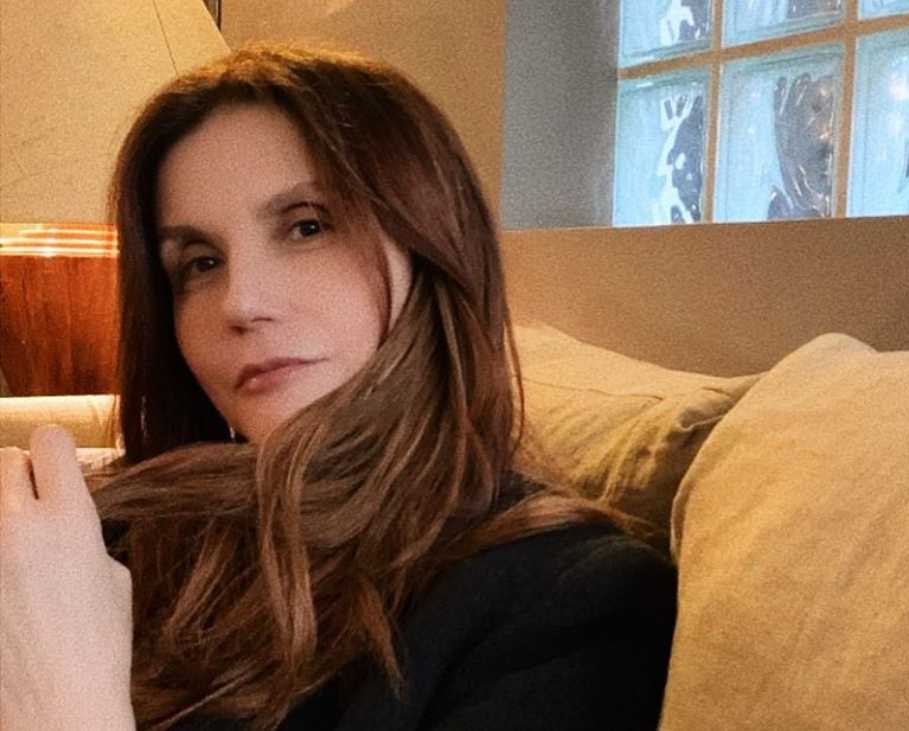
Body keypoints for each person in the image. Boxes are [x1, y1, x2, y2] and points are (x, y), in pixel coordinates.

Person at [0, 42, 676, 731]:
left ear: (430, 242)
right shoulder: (114, 540)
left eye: (307, 226)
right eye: (200, 263)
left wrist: (60, 702)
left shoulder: (572, 602)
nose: (241, 302)